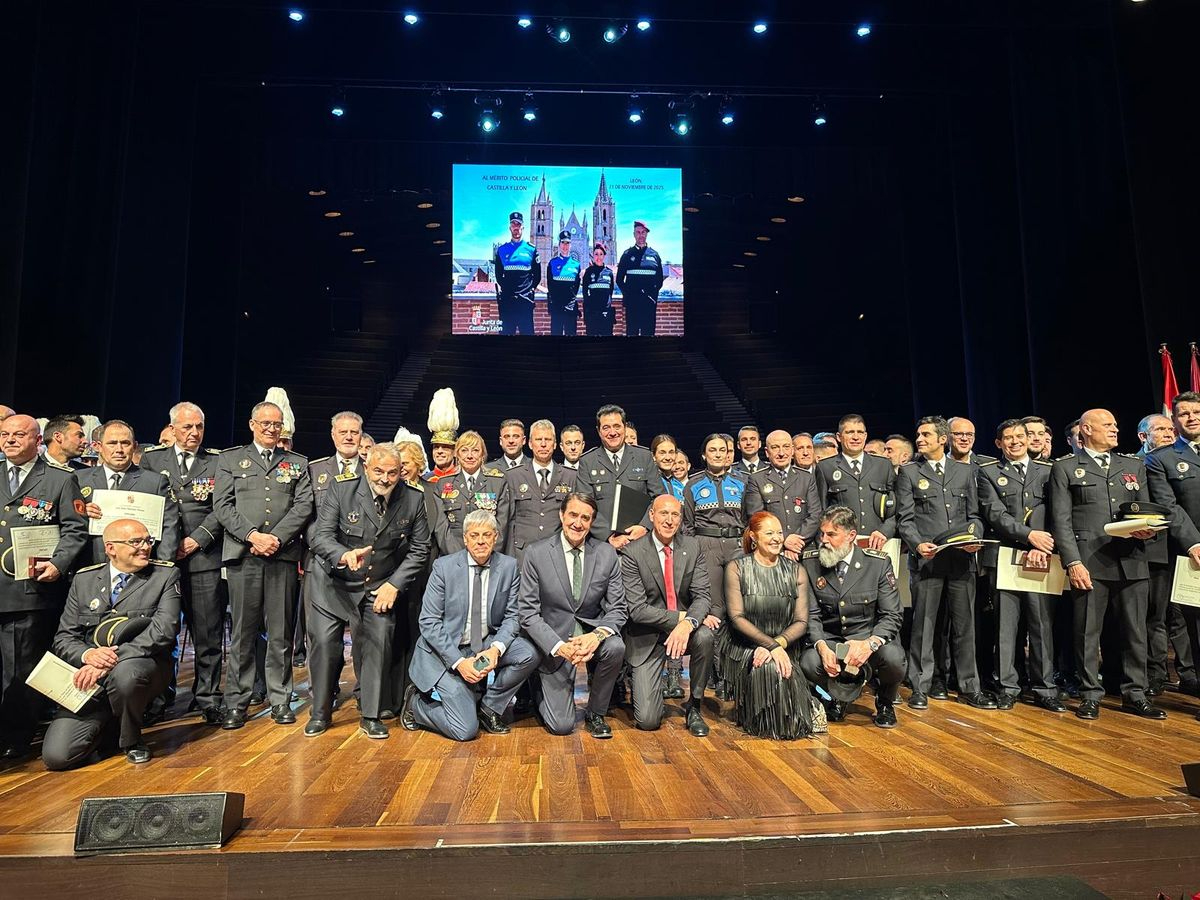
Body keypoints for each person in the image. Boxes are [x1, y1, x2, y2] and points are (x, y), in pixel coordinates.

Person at [307, 443, 429, 739]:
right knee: (325, 644)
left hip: (378, 585)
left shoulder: (412, 498)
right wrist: (341, 554)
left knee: (379, 641)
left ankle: (371, 715)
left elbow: (419, 549)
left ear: (401, 472)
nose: (384, 479)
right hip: (333, 584)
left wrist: (394, 585)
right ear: (366, 468)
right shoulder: (342, 490)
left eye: (391, 473)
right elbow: (320, 536)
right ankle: (320, 713)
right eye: (378, 471)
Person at [1049, 409, 1164, 720]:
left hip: (1132, 559)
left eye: (1115, 424)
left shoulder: (1132, 465)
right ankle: (1090, 694)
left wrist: (1147, 528)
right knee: (1087, 631)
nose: (1115, 429)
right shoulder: (1066, 467)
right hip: (1090, 560)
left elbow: (1145, 509)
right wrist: (1073, 562)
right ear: (1086, 429)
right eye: (1108, 425)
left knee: (1135, 631)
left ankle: (1135, 693)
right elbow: (1060, 521)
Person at [40, 519, 180, 769]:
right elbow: (64, 637)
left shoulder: (165, 574)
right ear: (111, 548)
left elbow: (163, 631)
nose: (145, 547)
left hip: (141, 667)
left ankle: (132, 740)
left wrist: (110, 659)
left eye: (148, 540)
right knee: (57, 757)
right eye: (135, 542)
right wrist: (88, 656)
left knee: (128, 675)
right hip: (91, 678)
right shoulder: (84, 580)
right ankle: (111, 723)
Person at [214, 400, 315, 730]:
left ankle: (280, 699)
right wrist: (253, 536)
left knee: (281, 633)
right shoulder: (230, 459)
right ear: (252, 424)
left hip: (282, 557)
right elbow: (223, 506)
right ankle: (237, 702)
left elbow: (303, 506)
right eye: (266, 423)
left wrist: (277, 538)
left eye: (277, 424)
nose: (272, 429)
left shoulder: (297, 463)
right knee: (242, 633)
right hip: (245, 556)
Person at [403, 510, 538, 740]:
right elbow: (428, 621)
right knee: (465, 731)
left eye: (487, 535)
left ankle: (489, 707)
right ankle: (415, 706)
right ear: (465, 539)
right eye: (474, 535)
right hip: (446, 653)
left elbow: (513, 616)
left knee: (528, 654)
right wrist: (458, 662)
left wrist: (496, 648)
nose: (481, 541)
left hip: (483, 646)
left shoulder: (508, 567)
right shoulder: (443, 568)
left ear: (496, 537)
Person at [0, 414, 88, 760]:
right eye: (4, 434)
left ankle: (15, 737)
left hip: (29, 589)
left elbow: (75, 529)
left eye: (18, 434)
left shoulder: (59, 479)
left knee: (22, 668)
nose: (9, 440)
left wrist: (58, 563)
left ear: (38, 440)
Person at [895, 416, 996, 710]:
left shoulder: (965, 472)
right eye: (918, 434)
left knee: (965, 627)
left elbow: (975, 515)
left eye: (926, 434)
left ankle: (969, 687)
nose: (920, 439)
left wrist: (974, 537)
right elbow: (905, 519)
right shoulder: (910, 472)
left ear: (943, 439)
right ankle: (920, 687)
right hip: (928, 561)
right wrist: (917, 544)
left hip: (961, 560)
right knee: (924, 627)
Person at [141, 402, 226, 725]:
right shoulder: (151, 460)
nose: (194, 433)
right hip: (161, 562)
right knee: (162, 634)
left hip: (202, 557)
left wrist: (197, 539)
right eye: (187, 427)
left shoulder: (216, 462)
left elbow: (222, 507)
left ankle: (207, 697)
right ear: (172, 428)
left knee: (207, 633)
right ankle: (160, 698)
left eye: (199, 427)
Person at [518, 493, 627, 738]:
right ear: (561, 515)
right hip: (554, 639)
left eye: (585, 518)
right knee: (562, 727)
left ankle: (596, 713)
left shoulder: (606, 553)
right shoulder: (536, 553)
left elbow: (618, 608)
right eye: (573, 515)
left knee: (615, 646)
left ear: (592, 522)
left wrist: (597, 636)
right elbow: (527, 612)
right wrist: (557, 646)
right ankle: (536, 686)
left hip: (590, 634)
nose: (578, 523)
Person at [975, 419, 1064, 711]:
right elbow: (994, 514)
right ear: (999, 444)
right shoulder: (988, 473)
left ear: (1029, 439)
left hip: (1044, 554)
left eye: (1019, 436)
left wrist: (1042, 543)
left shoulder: (1050, 471)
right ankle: (1008, 687)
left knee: (1042, 623)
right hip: (1005, 556)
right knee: (1006, 625)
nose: (1015, 442)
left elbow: (1057, 513)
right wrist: (1029, 536)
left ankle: (1044, 687)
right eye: (1008, 438)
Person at [801, 506, 905, 728]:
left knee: (894, 659)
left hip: (867, 637)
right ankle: (835, 698)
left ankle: (885, 702)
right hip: (832, 638)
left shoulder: (877, 563)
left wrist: (870, 643)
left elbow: (892, 614)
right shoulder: (811, 563)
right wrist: (820, 645)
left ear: (851, 536)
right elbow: (811, 615)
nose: (823, 540)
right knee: (809, 662)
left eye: (831, 535)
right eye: (822, 533)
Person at [620, 494, 713, 736]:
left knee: (704, 636)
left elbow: (703, 596)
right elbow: (637, 610)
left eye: (675, 515)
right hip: (647, 635)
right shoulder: (633, 553)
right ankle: (644, 688)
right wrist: (682, 619)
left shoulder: (692, 547)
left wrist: (689, 624)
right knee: (648, 721)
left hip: (683, 632)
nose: (669, 520)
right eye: (663, 513)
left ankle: (694, 705)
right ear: (651, 516)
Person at [719, 512, 814, 740]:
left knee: (781, 670)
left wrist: (777, 645)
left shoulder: (797, 570)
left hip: (786, 645)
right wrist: (770, 647)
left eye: (780, 533)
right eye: (769, 533)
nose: (776, 538)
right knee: (770, 669)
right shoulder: (736, 568)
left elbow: (801, 622)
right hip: (745, 646)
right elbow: (737, 618)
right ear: (753, 536)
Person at [682, 433, 748, 700]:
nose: (718, 454)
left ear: (729, 453)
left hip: (736, 544)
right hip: (705, 544)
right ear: (704, 455)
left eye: (723, 449)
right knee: (715, 609)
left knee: (738, 608)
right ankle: (717, 675)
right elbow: (686, 524)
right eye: (713, 450)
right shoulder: (693, 484)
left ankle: (735, 674)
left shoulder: (743, 482)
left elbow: (751, 517)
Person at [1146, 390, 1200, 706]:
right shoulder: (1160, 458)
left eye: (1196, 412)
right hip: (1191, 553)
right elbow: (1169, 506)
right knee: (1196, 629)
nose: (1191, 418)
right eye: (1184, 414)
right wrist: (1193, 542)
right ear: (1175, 421)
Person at [77, 420, 180, 565]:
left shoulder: (155, 482)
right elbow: (68, 524)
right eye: (112, 443)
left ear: (135, 446)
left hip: (142, 568)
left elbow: (169, 526)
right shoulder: (79, 479)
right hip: (90, 565)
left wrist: (162, 566)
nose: (119, 449)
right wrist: (81, 513)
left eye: (125, 443)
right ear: (99, 447)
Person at [1134, 411, 1183, 696]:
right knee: (1148, 616)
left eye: (1170, 430)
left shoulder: (1180, 461)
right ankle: (1150, 674)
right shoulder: (1132, 463)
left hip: (1174, 549)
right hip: (1144, 550)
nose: (1168, 434)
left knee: (1171, 616)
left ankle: (1177, 672)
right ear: (1143, 436)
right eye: (1161, 429)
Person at [574, 404, 664, 549]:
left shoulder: (644, 457)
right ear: (598, 431)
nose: (612, 432)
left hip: (642, 543)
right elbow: (584, 505)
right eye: (606, 427)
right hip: (602, 545)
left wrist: (644, 526)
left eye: (617, 426)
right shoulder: (587, 462)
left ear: (624, 427)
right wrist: (608, 536)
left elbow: (658, 498)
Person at [815, 414, 896, 551]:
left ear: (865, 436)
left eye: (860, 432)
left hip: (879, 543)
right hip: (842, 546)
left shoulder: (883, 465)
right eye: (850, 432)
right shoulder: (825, 467)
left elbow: (895, 508)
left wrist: (885, 531)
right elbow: (821, 511)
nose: (856, 437)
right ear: (839, 437)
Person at [503, 419, 577, 562]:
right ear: (530, 443)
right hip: (522, 553)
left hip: (558, 553)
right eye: (538, 439)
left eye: (548, 439)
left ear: (555, 444)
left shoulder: (570, 476)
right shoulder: (513, 475)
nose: (543, 444)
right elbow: (509, 520)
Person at [744, 430, 821, 561]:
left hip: (804, 549)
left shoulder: (806, 478)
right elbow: (756, 517)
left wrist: (795, 542)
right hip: (772, 551)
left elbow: (815, 514)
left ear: (792, 450)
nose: (781, 453)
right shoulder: (756, 479)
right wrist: (784, 540)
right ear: (767, 452)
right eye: (775, 448)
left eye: (786, 447)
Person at [429, 431, 509, 556]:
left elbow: (501, 526)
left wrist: (486, 555)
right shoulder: (443, 484)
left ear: (482, 454)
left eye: (475, 450)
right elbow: (441, 527)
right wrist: (458, 557)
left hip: (489, 556)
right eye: (464, 450)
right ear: (457, 454)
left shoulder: (497, 483)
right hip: (453, 555)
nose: (470, 456)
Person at [493, 211, 540, 335]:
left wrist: (529, 290)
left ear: (522, 227)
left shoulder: (531, 249)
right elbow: (498, 275)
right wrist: (509, 291)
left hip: (525, 302)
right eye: (513, 224)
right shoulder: (502, 250)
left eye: (518, 224)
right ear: (510, 227)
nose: (516, 227)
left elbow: (537, 275)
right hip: (507, 303)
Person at [616, 220, 665, 337]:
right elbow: (619, 279)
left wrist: (652, 296)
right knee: (632, 336)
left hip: (649, 304)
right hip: (632, 305)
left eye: (643, 232)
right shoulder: (627, 255)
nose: (641, 235)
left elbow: (659, 280)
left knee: (648, 336)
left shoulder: (655, 255)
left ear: (647, 234)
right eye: (638, 232)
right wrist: (628, 295)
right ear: (634, 234)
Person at [546, 230, 582, 336]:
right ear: (559, 244)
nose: (565, 246)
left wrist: (570, 303)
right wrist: (556, 304)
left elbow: (576, 286)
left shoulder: (576, 265)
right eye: (563, 242)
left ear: (570, 245)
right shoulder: (552, 263)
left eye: (567, 243)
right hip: (557, 309)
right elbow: (550, 286)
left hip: (571, 309)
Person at [581, 243, 616, 337]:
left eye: (601, 254)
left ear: (604, 256)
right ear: (593, 255)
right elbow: (585, 293)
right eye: (596, 254)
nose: (598, 257)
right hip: (592, 314)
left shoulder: (609, 273)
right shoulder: (588, 272)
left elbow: (610, 291)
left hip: (606, 314)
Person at [650, 434, 684, 500]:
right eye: (662, 453)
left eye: (671, 452)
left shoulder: (679, 485)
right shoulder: (649, 482)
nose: (668, 458)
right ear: (653, 456)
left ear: (676, 454)